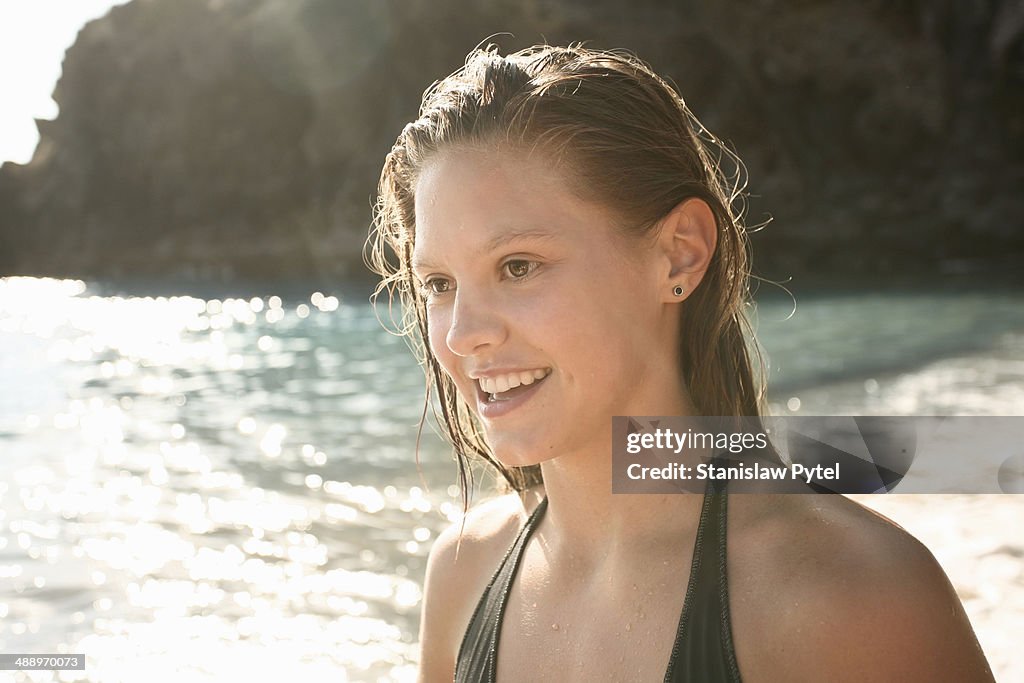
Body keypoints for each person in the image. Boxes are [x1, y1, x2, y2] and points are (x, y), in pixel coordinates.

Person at [368, 44, 994, 682]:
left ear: (680, 255)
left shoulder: (849, 599)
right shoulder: (463, 573)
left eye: (518, 267)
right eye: (439, 283)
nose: (463, 334)